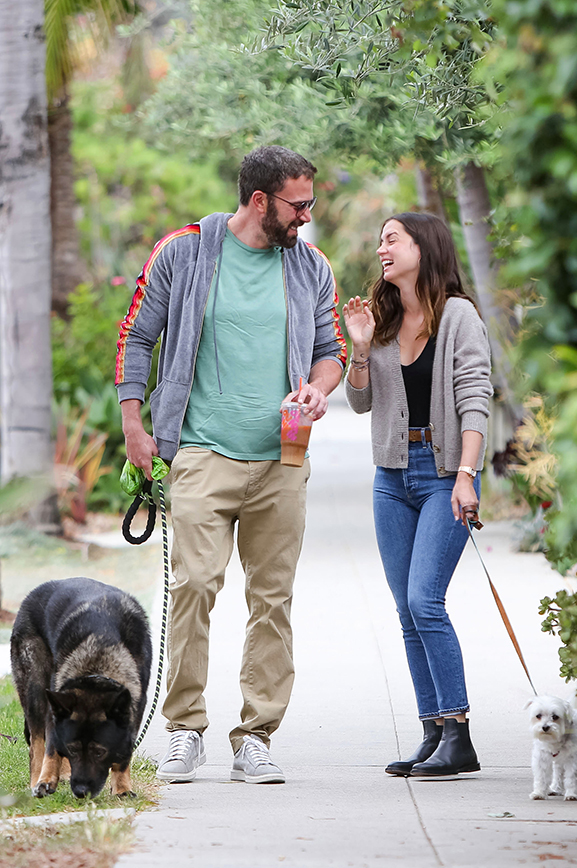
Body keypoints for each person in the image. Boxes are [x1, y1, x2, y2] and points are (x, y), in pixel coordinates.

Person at [115, 146, 347, 785]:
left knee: (272, 600)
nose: (307, 216)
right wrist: (136, 425)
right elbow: (137, 335)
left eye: (310, 204)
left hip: (283, 460)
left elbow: (333, 351)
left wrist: (319, 389)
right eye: (298, 204)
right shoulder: (184, 252)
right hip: (201, 451)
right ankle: (184, 728)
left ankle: (256, 737)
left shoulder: (309, 265)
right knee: (193, 586)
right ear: (258, 201)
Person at [343, 212, 493, 777]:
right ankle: (433, 733)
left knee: (426, 601)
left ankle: (459, 734)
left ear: (422, 247)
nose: (381, 248)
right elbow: (360, 404)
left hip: (442, 472)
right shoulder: (381, 320)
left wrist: (466, 475)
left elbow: (476, 398)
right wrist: (359, 347)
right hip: (391, 477)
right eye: (379, 239)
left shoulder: (459, 317)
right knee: (407, 610)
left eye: (392, 239)